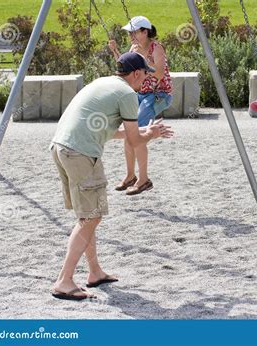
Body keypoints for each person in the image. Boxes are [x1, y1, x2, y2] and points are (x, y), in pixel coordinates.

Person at [50, 52, 173, 300]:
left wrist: (143, 130)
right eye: (146, 74)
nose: (147, 79)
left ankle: (94, 272)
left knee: (87, 216)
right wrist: (152, 134)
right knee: (91, 218)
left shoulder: (102, 83)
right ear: (136, 73)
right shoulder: (128, 94)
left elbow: (107, 129)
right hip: (81, 153)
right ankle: (64, 280)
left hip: (61, 147)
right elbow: (134, 141)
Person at [108, 16, 173, 195]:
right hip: (141, 93)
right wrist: (115, 52)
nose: (131, 36)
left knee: (136, 133)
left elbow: (159, 74)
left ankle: (143, 179)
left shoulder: (156, 48)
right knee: (129, 130)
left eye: (134, 32)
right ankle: (130, 176)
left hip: (158, 95)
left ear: (145, 31)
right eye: (130, 32)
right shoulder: (134, 48)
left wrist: (144, 59)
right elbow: (126, 68)